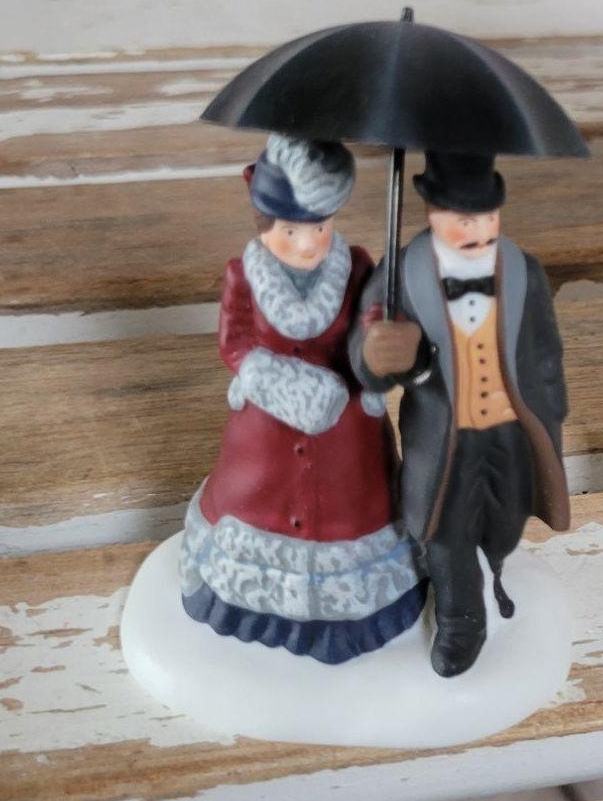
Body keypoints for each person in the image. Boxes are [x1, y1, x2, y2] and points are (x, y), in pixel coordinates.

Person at [179, 134, 426, 661]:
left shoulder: (356, 267)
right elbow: (234, 341)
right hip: (266, 431)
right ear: (265, 222)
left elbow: (369, 319)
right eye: (292, 230)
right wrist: (265, 375)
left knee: (351, 508)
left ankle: (348, 614)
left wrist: (381, 337)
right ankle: (258, 605)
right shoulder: (244, 275)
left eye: (319, 226)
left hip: (344, 430)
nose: (308, 243)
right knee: (256, 499)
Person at [350, 152, 571, 678]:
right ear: (431, 212)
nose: (477, 230)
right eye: (462, 219)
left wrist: (552, 411)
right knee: (445, 530)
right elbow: (364, 359)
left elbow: (544, 351)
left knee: (505, 517)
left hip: (511, 433)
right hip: (443, 438)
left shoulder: (523, 270)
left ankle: (495, 569)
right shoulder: (400, 275)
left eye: (487, 217)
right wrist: (381, 357)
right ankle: (461, 618)